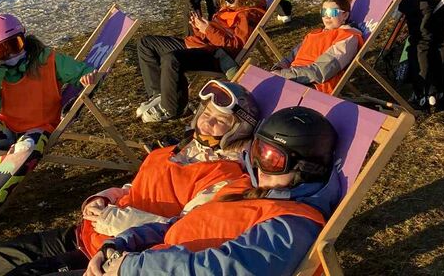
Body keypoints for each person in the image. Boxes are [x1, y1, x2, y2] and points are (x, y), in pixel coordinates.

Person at [0, 81, 260, 276]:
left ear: (237, 131)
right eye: (207, 112)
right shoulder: (178, 150)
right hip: (90, 233)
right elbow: (134, 187)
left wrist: (113, 218)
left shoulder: (227, 178)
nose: (208, 121)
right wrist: (104, 198)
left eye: (220, 120)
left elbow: (182, 231)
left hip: (121, 255)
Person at [85, 106, 340, 276]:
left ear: (306, 169)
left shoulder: (293, 224)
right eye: (257, 152)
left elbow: (224, 269)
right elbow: (182, 224)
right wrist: (120, 243)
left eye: (272, 159)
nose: (260, 167)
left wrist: (131, 268)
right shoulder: (246, 188)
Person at [0, 14, 96, 239]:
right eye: (2, 50)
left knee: (26, 148)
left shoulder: (47, 60)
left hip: (38, 129)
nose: (12, 53)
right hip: (7, 127)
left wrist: (86, 78)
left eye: (16, 44)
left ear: (24, 37)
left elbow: (82, 71)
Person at [135, 0, 265, 123]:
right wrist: (199, 28)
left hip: (215, 55)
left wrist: (208, 29)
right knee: (146, 43)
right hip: (201, 43)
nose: (227, 4)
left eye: (230, 0)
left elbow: (234, 47)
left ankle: (173, 109)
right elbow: (216, 32)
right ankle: (159, 95)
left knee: (172, 59)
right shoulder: (230, 8)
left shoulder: (247, 15)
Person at [271, 0, 364, 94]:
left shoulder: (348, 37)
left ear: (345, 15)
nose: (327, 16)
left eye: (332, 12)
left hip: (313, 86)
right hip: (292, 78)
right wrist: (277, 68)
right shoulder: (315, 34)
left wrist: (284, 74)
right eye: (324, 12)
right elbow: (291, 57)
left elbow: (321, 71)